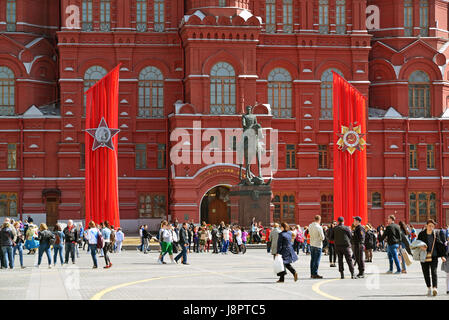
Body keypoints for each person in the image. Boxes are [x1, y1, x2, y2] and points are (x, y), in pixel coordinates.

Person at [417, 219, 447, 296]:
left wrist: (442, 256)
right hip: (424, 256)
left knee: (434, 272)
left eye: (432, 226)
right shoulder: (421, 234)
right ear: (426, 226)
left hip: (434, 257)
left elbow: (439, 245)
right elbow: (416, 243)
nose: (431, 227)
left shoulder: (435, 234)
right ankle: (429, 287)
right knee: (426, 273)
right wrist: (421, 247)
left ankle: (435, 288)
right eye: (430, 226)